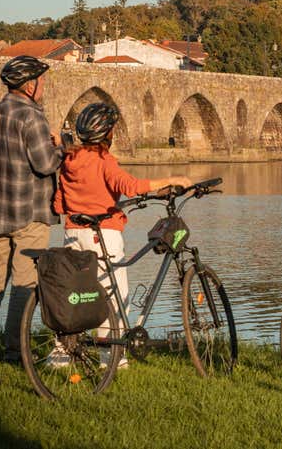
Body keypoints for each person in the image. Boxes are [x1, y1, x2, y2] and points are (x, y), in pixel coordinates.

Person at [52, 102, 191, 365]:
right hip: (103, 234)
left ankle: (61, 355)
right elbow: (131, 186)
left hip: (72, 234)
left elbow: (59, 204)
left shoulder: (69, 161)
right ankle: (111, 357)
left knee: (75, 295)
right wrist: (171, 179)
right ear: (107, 134)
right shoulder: (105, 161)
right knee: (113, 298)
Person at [0, 55, 64, 362]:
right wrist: (61, 146)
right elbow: (46, 162)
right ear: (29, 85)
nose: (45, 87)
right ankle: (15, 350)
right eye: (43, 81)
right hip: (29, 211)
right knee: (25, 281)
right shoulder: (32, 117)